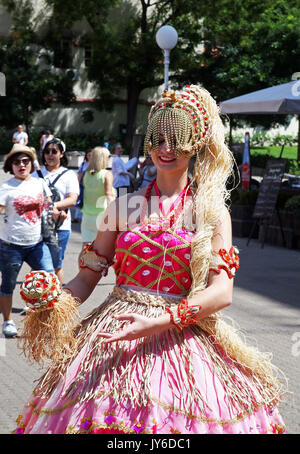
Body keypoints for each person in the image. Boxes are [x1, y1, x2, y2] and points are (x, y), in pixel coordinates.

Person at [15, 85, 286, 434]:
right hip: (112, 337)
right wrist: (55, 301)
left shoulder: (212, 214)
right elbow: (85, 280)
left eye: (176, 139)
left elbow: (222, 293)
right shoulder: (122, 207)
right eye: (157, 139)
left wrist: (160, 322)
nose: (166, 149)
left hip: (181, 337)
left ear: (197, 142)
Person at [0, 144, 54, 338]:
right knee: (8, 285)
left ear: (31, 163)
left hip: (36, 244)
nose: (21, 165)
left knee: (48, 279)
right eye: (16, 162)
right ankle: (7, 322)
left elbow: (49, 204)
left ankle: (41, 320)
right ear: (10, 166)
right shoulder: (6, 187)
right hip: (10, 246)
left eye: (25, 161)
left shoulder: (39, 183)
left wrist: (57, 213)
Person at [34, 138, 80, 284]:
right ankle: (36, 302)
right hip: (37, 227)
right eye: (47, 151)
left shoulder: (68, 175)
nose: (50, 154)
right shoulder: (36, 174)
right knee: (37, 266)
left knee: (55, 266)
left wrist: (53, 206)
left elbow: (72, 199)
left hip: (60, 228)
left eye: (54, 151)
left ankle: (55, 302)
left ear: (61, 154)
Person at [80, 146, 115, 247]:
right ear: (103, 158)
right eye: (109, 156)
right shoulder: (107, 174)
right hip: (102, 216)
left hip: (87, 215)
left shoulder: (85, 174)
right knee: (102, 248)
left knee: (86, 246)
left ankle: (83, 263)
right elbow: (108, 195)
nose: (110, 159)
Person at [72, 149, 92, 223]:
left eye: (91, 155)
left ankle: (86, 217)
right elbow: (79, 174)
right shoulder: (83, 164)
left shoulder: (94, 165)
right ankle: (77, 217)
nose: (90, 156)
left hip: (90, 186)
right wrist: (78, 183)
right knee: (80, 201)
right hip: (82, 185)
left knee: (88, 202)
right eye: (88, 155)